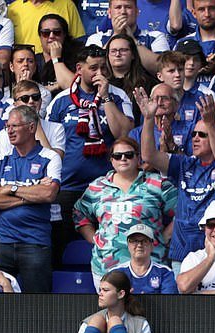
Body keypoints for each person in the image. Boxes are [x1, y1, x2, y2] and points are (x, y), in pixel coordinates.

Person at [138, 88, 215, 276]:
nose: (195, 138)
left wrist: (210, 122)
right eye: (194, 134)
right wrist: (147, 119)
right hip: (182, 253)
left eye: (203, 135)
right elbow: (149, 155)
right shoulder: (184, 163)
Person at [46, 45, 134, 268]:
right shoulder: (61, 100)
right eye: (93, 68)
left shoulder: (117, 95)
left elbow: (124, 134)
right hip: (66, 187)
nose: (100, 73)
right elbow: (47, 144)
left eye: (103, 68)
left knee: (108, 247)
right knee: (61, 247)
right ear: (79, 69)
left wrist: (105, 99)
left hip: (106, 188)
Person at [73, 137, 177, 287]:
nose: (123, 159)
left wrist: (165, 235)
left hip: (150, 264)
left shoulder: (157, 183)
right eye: (117, 156)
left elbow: (184, 211)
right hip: (106, 266)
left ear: (138, 158)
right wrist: (93, 237)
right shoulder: (97, 187)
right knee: (115, 311)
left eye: (129, 155)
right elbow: (79, 212)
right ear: (111, 160)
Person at [0, 105, 62, 292]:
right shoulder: (1, 159)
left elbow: (48, 194)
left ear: (31, 127)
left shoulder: (50, 157)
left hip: (35, 242)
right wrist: (30, 194)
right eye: (7, 126)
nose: (9, 131)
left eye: (15, 126)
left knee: (36, 305)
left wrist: (11, 188)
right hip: (1, 241)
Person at [74, 270, 153, 333]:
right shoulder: (89, 322)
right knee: (97, 320)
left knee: (115, 321)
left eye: (105, 290)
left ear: (121, 294)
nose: (100, 294)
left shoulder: (141, 324)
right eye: (100, 290)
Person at [0, 80, 66, 159]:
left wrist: (36, 125)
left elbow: (56, 161)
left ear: (41, 101)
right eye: (25, 98)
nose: (31, 101)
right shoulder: (5, 134)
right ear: (15, 104)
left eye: (35, 97)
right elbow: (3, 166)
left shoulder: (57, 128)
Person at [106, 34, 159, 126]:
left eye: (123, 50)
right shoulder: (102, 84)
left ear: (133, 55)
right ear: (107, 56)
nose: (118, 54)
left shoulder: (147, 83)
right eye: (113, 51)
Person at [85, 0, 169, 57]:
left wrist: (131, 39)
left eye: (128, 7)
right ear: (109, 13)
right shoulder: (96, 39)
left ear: (137, 12)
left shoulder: (155, 37)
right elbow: (94, 66)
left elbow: (160, 67)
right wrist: (116, 36)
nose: (123, 12)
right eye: (118, 7)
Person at [129, 83, 195, 155]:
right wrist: (161, 154)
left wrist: (172, 146)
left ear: (176, 105)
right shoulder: (136, 133)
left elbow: (191, 163)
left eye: (165, 98)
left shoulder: (190, 129)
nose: (159, 103)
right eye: (155, 99)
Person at [112, 224, 178, 294]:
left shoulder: (165, 273)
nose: (140, 245)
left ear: (152, 245)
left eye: (145, 241)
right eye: (134, 241)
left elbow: (169, 302)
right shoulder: (115, 273)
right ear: (128, 245)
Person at [176, 0, 215, 77]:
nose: (207, 14)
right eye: (201, 9)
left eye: (212, 8)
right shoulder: (182, 43)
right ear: (194, 13)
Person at [7, 0, 85, 54]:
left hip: (58, 65)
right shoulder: (13, 9)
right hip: (25, 67)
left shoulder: (67, 5)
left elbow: (78, 43)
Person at [35, 14, 81, 95]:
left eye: (57, 32)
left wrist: (56, 59)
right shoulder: (33, 60)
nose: (51, 36)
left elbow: (73, 87)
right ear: (40, 36)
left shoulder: (76, 57)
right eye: (46, 33)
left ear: (64, 35)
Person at [5, 44, 52, 119]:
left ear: (35, 66)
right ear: (11, 66)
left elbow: (38, 118)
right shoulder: (4, 92)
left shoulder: (44, 93)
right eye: (20, 61)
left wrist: (26, 86)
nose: (25, 64)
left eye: (30, 61)